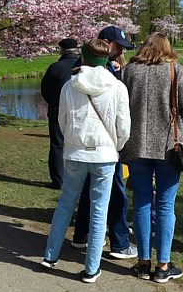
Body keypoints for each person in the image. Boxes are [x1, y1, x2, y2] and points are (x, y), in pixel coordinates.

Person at [40, 39, 131, 283]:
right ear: (106, 60)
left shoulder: (70, 86)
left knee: (66, 204)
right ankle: (91, 268)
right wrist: (116, 147)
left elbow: (62, 121)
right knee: (99, 210)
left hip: (75, 153)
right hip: (104, 155)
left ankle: (50, 255)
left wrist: (73, 141)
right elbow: (124, 127)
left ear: (83, 56)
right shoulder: (118, 87)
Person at [121, 33, 183, 283]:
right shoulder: (176, 69)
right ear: (167, 48)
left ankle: (143, 263)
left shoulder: (129, 71)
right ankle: (162, 265)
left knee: (141, 202)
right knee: (165, 204)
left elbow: (122, 103)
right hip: (168, 146)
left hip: (135, 144)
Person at [72, 26, 136, 258]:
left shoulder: (78, 74)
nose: (120, 51)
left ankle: (81, 235)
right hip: (107, 144)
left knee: (87, 189)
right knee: (116, 192)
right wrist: (119, 145)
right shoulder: (110, 79)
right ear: (106, 43)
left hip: (81, 144)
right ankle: (119, 243)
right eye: (118, 47)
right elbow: (121, 118)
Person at [40, 38, 80, 189]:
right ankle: (77, 178)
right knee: (78, 144)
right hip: (80, 111)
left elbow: (45, 89)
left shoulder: (55, 67)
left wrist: (53, 101)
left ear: (62, 50)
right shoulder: (83, 67)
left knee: (57, 145)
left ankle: (58, 180)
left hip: (57, 110)